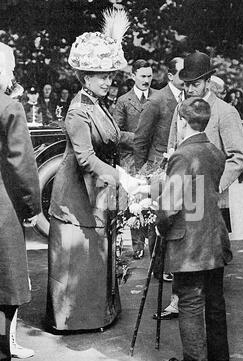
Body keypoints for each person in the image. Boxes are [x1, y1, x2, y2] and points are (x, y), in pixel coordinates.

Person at [46, 10, 144, 332]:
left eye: (109, 75)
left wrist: (144, 144)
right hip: (75, 195)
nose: (109, 81)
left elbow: (114, 137)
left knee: (97, 252)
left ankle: (99, 314)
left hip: (96, 192)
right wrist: (123, 177)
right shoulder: (78, 110)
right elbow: (86, 159)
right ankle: (73, 321)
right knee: (80, 256)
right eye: (101, 76)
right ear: (85, 77)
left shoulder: (99, 103)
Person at [157, 50, 243, 320]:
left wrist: (215, 187)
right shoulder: (181, 109)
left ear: (208, 81)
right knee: (182, 242)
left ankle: (196, 305)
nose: (189, 89)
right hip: (185, 193)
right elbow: (174, 146)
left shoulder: (225, 112)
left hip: (211, 195)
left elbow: (238, 157)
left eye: (195, 83)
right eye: (185, 84)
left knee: (206, 254)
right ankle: (181, 300)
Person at [155, 97, 232, 361]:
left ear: (182, 122)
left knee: (189, 299)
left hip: (190, 241)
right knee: (214, 298)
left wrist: (160, 226)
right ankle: (219, 357)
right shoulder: (214, 152)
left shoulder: (181, 155)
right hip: (214, 236)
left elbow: (170, 205)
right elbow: (200, 194)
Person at [0, 42, 41, 361]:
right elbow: (22, 165)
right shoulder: (9, 107)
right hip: (2, 206)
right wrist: (31, 207)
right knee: (5, 283)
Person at [114, 59, 155, 259]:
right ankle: (138, 245)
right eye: (142, 76)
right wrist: (138, 140)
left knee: (154, 199)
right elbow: (115, 132)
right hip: (131, 158)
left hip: (153, 158)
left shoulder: (158, 98)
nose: (146, 80)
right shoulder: (123, 101)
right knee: (135, 201)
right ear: (133, 76)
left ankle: (155, 246)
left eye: (149, 76)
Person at [134, 57, 185, 170]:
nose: (187, 78)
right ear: (171, 76)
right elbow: (140, 140)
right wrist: (140, 172)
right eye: (182, 74)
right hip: (159, 165)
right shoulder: (156, 100)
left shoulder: (190, 99)